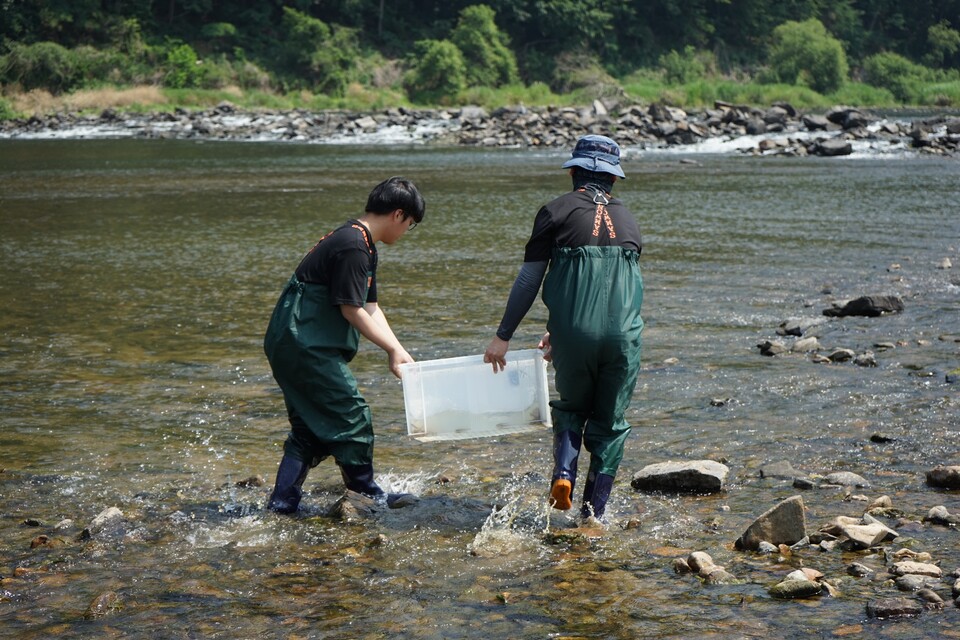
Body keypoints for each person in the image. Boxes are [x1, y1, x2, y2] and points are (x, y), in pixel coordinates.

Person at [484, 135, 644, 522]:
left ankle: (564, 476)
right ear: (614, 179)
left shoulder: (554, 212)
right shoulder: (629, 222)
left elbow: (530, 281)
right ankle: (594, 516)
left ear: (574, 172)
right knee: (610, 424)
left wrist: (503, 335)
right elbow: (614, 289)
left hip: (573, 335)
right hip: (625, 336)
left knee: (571, 408)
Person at [264, 176, 425, 514]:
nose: (406, 231)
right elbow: (351, 310)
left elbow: (371, 307)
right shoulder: (353, 244)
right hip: (304, 344)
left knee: (310, 427)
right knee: (352, 416)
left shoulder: (361, 242)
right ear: (398, 214)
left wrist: (398, 349)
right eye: (409, 224)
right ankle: (365, 492)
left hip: (294, 343)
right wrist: (390, 350)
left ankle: (282, 502)